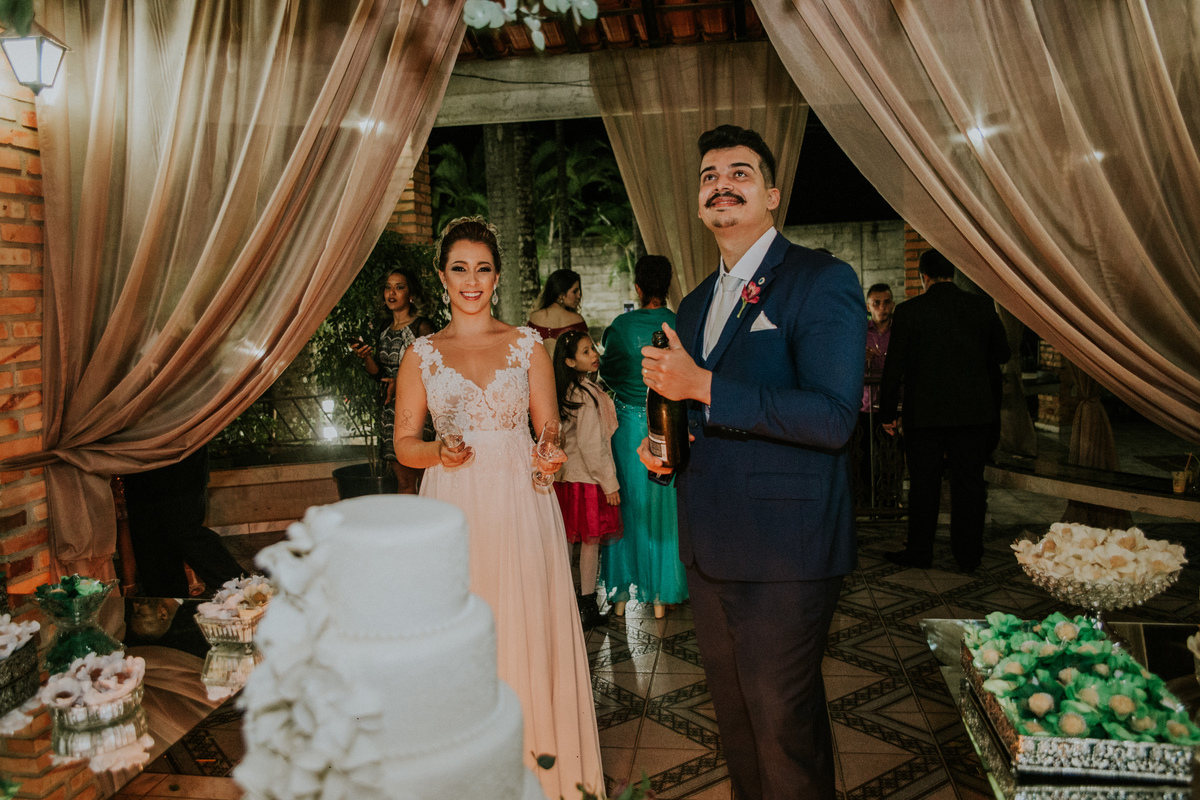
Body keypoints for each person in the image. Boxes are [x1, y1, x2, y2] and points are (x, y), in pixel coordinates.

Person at [638, 125, 865, 799]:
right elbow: (694, 413)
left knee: (782, 726)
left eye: (740, 173)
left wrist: (704, 386)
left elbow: (832, 418)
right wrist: (665, 454)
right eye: (709, 176)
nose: (721, 184)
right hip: (709, 549)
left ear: (770, 195)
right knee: (736, 726)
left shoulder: (820, 279)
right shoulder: (695, 304)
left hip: (785, 553)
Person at [393, 217, 603, 798]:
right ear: (441, 276)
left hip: (520, 504)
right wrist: (437, 450)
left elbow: (549, 428)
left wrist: (549, 454)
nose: (471, 280)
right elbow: (404, 443)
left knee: (525, 629)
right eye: (459, 268)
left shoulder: (528, 346)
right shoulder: (421, 355)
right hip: (453, 509)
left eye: (482, 269)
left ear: (498, 277)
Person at [878, 249, 1010, 572]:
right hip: (972, 414)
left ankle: (920, 553)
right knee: (969, 485)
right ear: (953, 273)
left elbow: (894, 367)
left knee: (924, 485)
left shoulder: (909, 312)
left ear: (923, 277)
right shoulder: (981, 306)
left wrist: (887, 413)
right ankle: (968, 556)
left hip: (924, 415)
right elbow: (1003, 353)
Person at [598, 255, 687, 620]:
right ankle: (662, 593)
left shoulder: (622, 326)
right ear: (667, 285)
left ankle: (620, 593)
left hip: (628, 426)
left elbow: (608, 370)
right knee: (665, 507)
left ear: (637, 287)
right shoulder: (680, 323)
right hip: (670, 423)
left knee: (626, 506)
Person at [551, 328, 622, 632]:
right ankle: (588, 604)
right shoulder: (586, 395)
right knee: (591, 542)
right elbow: (592, 444)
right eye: (585, 352)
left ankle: (564, 602)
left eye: (593, 348)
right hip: (587, 479)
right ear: (570, 362)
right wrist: (609, 482)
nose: (594, 355)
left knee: (568, 540)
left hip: (566, 478)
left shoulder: (568, 391)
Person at [350, 267, 436, 494]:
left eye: (399, 287)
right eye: (388, 287)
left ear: (411, 294)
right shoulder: (383, 329)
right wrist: (366, 356)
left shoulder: (422, 326)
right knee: (404, 482)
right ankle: (407, 519)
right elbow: (377, 374)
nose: (392, 292)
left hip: (418, 410)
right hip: (390, 412)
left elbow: (435, 370)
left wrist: (401, 382)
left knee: (424, 480)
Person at [122, 444, 244, 598]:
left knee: (184, 530)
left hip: (180, 458)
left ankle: (247, 591)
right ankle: (169, 607)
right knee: (150, 541)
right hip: (137, 464)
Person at [855, 283, 896, 505]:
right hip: (864, 403)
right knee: (863, 456)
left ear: (893, 304)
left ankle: (888, 502)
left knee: (889, 456)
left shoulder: (899, 331)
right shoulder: (860, 331)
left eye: (886, 302)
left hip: (891, 405)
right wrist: (861, 356)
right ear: (868, 307)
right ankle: (864, 503)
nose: (882, 308)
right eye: (876, 303)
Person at [526, 268, 587, 356]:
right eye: (575, 291)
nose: (579, 296)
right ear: (561, 294)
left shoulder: (534, 317)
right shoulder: (577, 320)